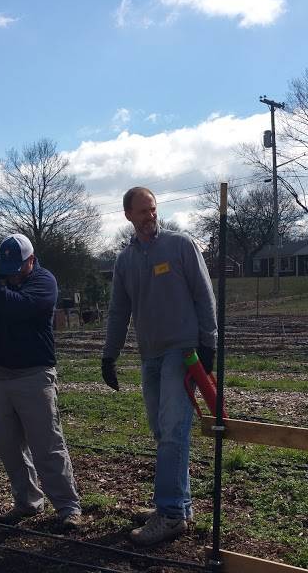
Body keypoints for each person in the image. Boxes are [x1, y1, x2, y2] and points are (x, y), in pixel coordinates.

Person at [101, 187, 217, 545]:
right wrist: (110, 353)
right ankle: (179, 504)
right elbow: (119, 311)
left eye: (153, 210)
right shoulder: (125, 261)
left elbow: (203, 293)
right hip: (149, 354)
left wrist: (208, 343)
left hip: (182, 352)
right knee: (161, 430)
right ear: (128, 216)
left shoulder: (180, 245)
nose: (150, 216)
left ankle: (169, 514)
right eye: (143, 212)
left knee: (173, 429)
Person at [0, 233, 82, 529]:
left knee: (47, 444)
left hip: (34, 375)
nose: (11, 274)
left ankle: (67, 507)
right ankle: (26, 502)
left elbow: (16, 306)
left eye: (17, 268)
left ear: (31, 260)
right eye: (7, 268)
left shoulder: (44, 282)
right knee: (9, 446)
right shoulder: (6, 269)